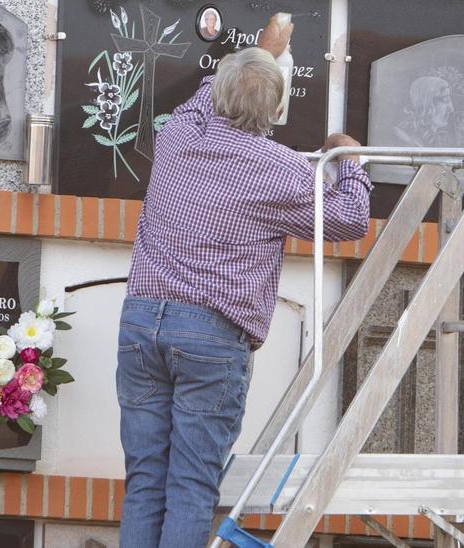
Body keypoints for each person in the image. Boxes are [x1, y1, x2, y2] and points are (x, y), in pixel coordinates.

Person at [115, 13, 371, 548]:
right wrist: (351, 156)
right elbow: (349, 220)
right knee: (190, 484)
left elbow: (214, 89)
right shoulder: (282, 170)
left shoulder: (179, 133)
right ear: (276, 111)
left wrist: (267, 48)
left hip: (141, 322)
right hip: (211, 335)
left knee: (144, 480)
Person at [395, 76, 454, 147]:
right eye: (445, 100)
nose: (451, 108)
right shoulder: (405, 140)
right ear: (426, 104)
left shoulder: (434, 139)